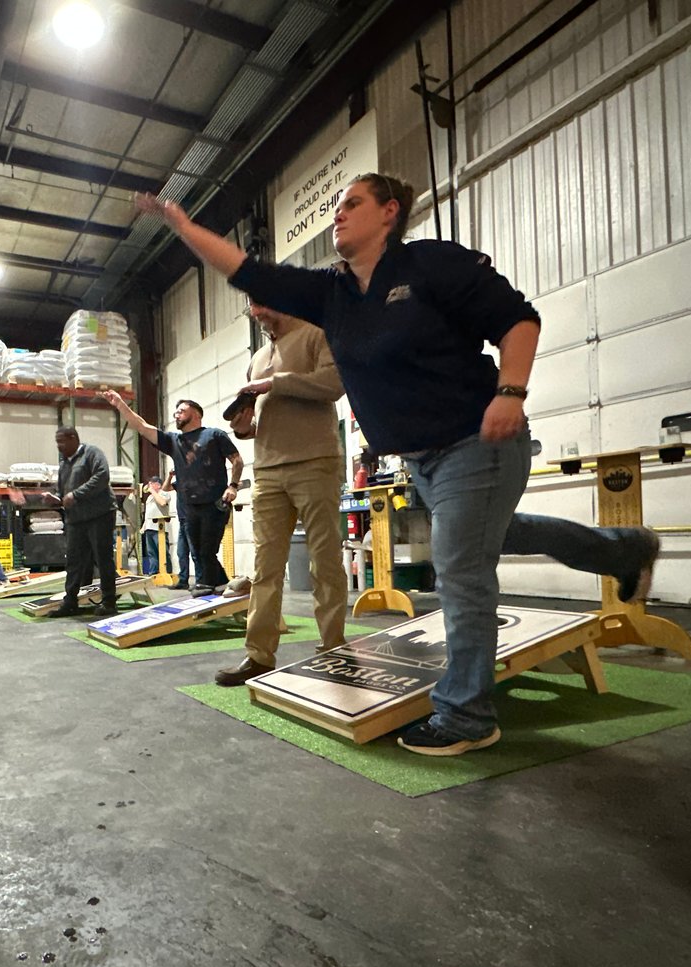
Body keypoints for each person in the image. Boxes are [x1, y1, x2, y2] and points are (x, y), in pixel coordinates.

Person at [136, 174, 660, 757]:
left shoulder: (432, 265)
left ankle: (466, 714)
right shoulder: (333, 295)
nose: (338, 217)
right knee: (495, 535)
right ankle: (621, 548)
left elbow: (518, 320)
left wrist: (510, 392)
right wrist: (184, 228)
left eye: (351, 205)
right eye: (335, 209)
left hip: (476, 440)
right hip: (422, 459)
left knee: (460, 569)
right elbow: (249, 271)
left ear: (389, 212)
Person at [214, 303, 348, 686]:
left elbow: (334, 384)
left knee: (324, 560)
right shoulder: (257, 358)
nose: (259, 317)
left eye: (263, 308)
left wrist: (275, 383)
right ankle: (258, 655)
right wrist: (244, 427)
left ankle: (333, 649)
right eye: (253, 312)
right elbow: (259, 423)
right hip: (268, 468)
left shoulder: (316, 333)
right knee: (264, 567)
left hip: (315, 461)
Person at [101, 392, 243, 595]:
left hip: (214, 503)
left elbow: (237, 460)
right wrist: (121, 405)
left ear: (196, 414)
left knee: (206, 551)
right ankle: (223, 586)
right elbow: (141, 426)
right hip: (189, 507)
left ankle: (206, 587)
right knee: (199, 553)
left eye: (181, 411)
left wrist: (233, 486)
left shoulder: (214, 435)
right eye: (175, 412)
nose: (176, 415)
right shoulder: (173, 441)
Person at [47, 426, 119, 617]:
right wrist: (55, 497)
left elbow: (102, 476)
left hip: (99, 515)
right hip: (76, 519)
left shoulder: (92, 453)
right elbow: (62, 491)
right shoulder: (64, 464)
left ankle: (109, 601)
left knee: (102, 558)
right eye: (57, 442)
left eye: (61, 441)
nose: (58, 446)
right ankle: (70, 602)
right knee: (73, 561)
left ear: (73, 438)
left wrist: (76, 495)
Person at [162, 470, 193, 589]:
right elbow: (165, 488)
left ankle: (202, 579)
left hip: (190, 519)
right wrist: (169, 476)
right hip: (182, 520)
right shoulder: (179, 482)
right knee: (181, 552)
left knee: (195, 553)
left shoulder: (192, 481)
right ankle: (183, 580)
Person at [139, 476, 170, 575]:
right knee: (151, 552)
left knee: (163, 551)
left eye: (152, 483)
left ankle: (167, 572)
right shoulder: (150, 497)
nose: (150, 486)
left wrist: (153, 491)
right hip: (149, 528)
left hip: (159, 528)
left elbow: (162, 503)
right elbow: (149, 513)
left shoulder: (164, 494)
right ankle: (153, 573)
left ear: (158, 485)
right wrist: (144, 526)